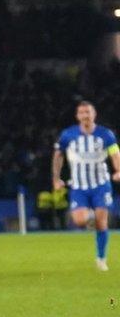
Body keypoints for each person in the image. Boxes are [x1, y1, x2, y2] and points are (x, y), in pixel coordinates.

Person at [52, 100, 120, 271]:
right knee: (80, 220)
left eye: (88, 112)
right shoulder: (68, 135)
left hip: (101, 184)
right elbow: (58, 155)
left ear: (94, 114)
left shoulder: (106, 134)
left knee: (102, 223)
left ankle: (101, 258)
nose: (85, 116)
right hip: (79, 186)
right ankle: (90, 215)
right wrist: (56, 178)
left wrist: (119, 170)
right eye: (82, 113)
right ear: (77, 116)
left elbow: (115, 154)